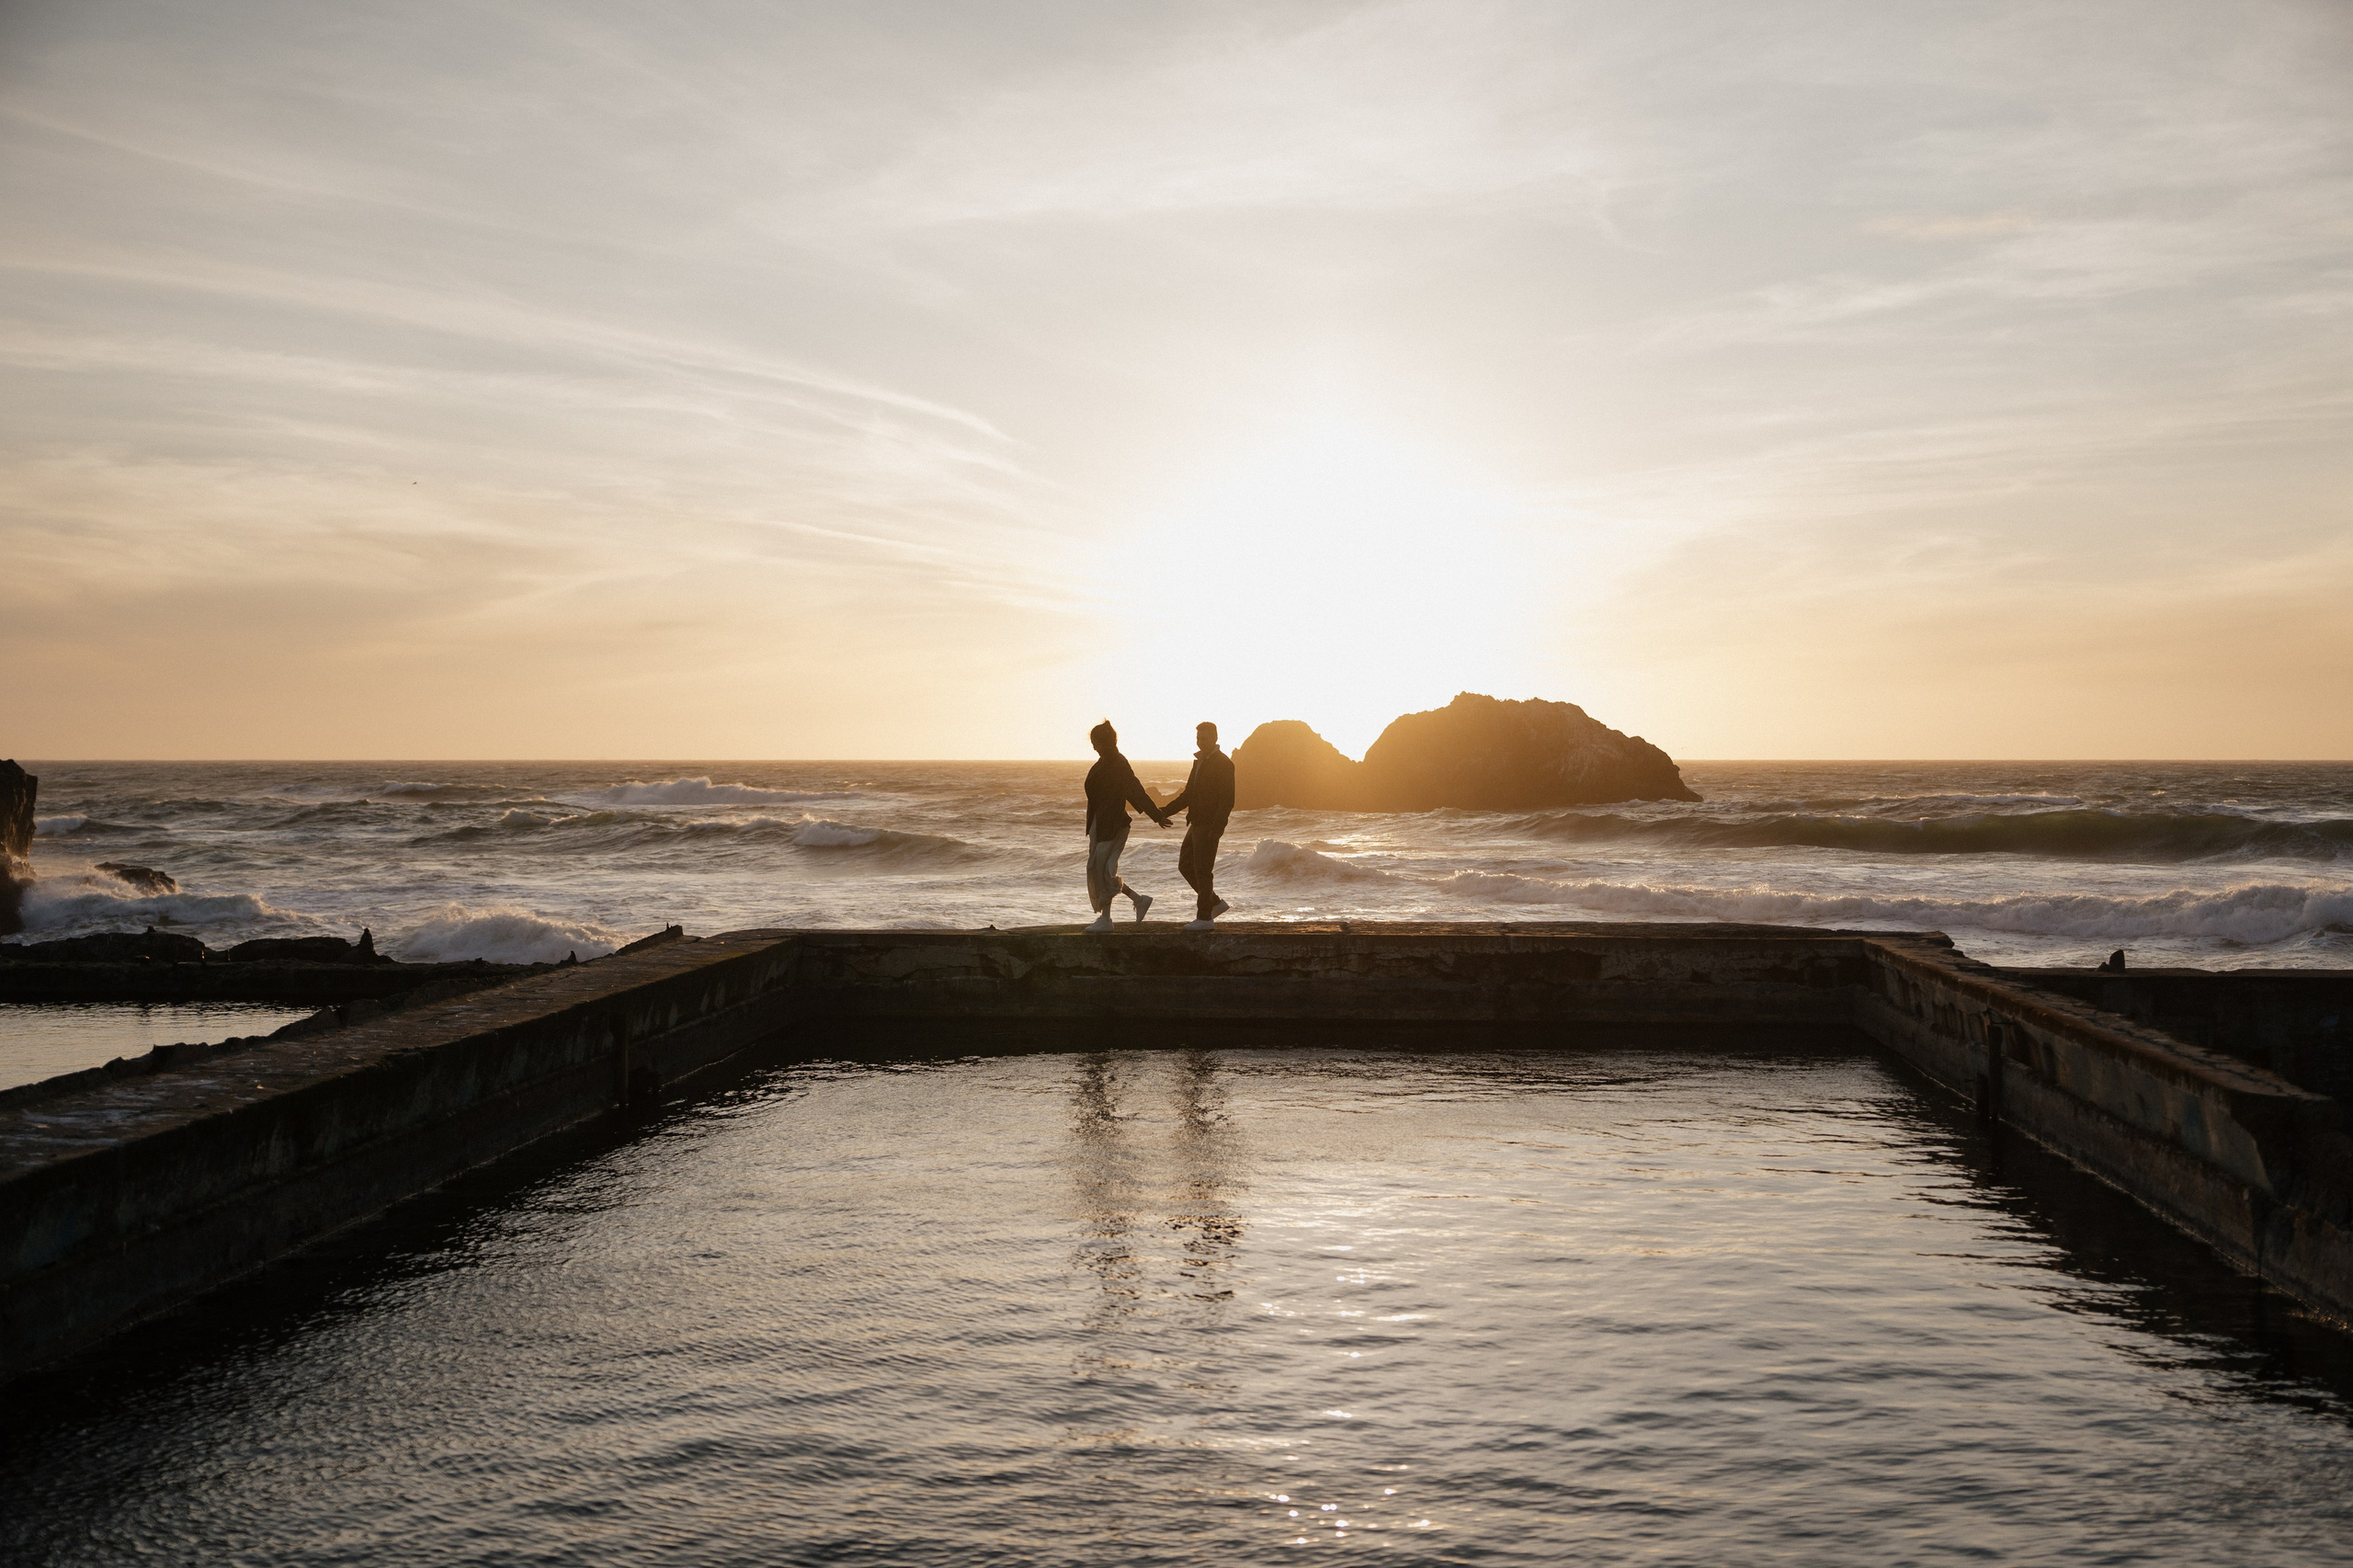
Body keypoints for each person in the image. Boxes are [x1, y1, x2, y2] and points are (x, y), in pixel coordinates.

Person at [1083, 720, 1171, 932]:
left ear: (1106, 742)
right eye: (1093, 742)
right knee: (1100, 870)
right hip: (1100, 824)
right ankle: (1139, 900)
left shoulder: (1118, 764)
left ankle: (1106, 920)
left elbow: (1136, 791)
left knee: (1104, 870)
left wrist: (1157, 815)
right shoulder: (1102, 763)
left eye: (1096, 742)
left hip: (1114, 825)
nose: (1094, 747)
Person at [1160, 720, 1235, 931]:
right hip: (1195, 823)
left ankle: (1205, 918)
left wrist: (1217, 828)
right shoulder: (1199, 761)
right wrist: (1163, 812)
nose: (1200, 742)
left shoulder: (1224, 763)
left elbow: (1227, 799)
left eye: (1204, 738)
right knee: (1185, 865)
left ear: (1215, 738)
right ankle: (1214, 903)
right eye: (1198, 738)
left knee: (1203, 870)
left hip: (1209, 826)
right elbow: (1187, 795)